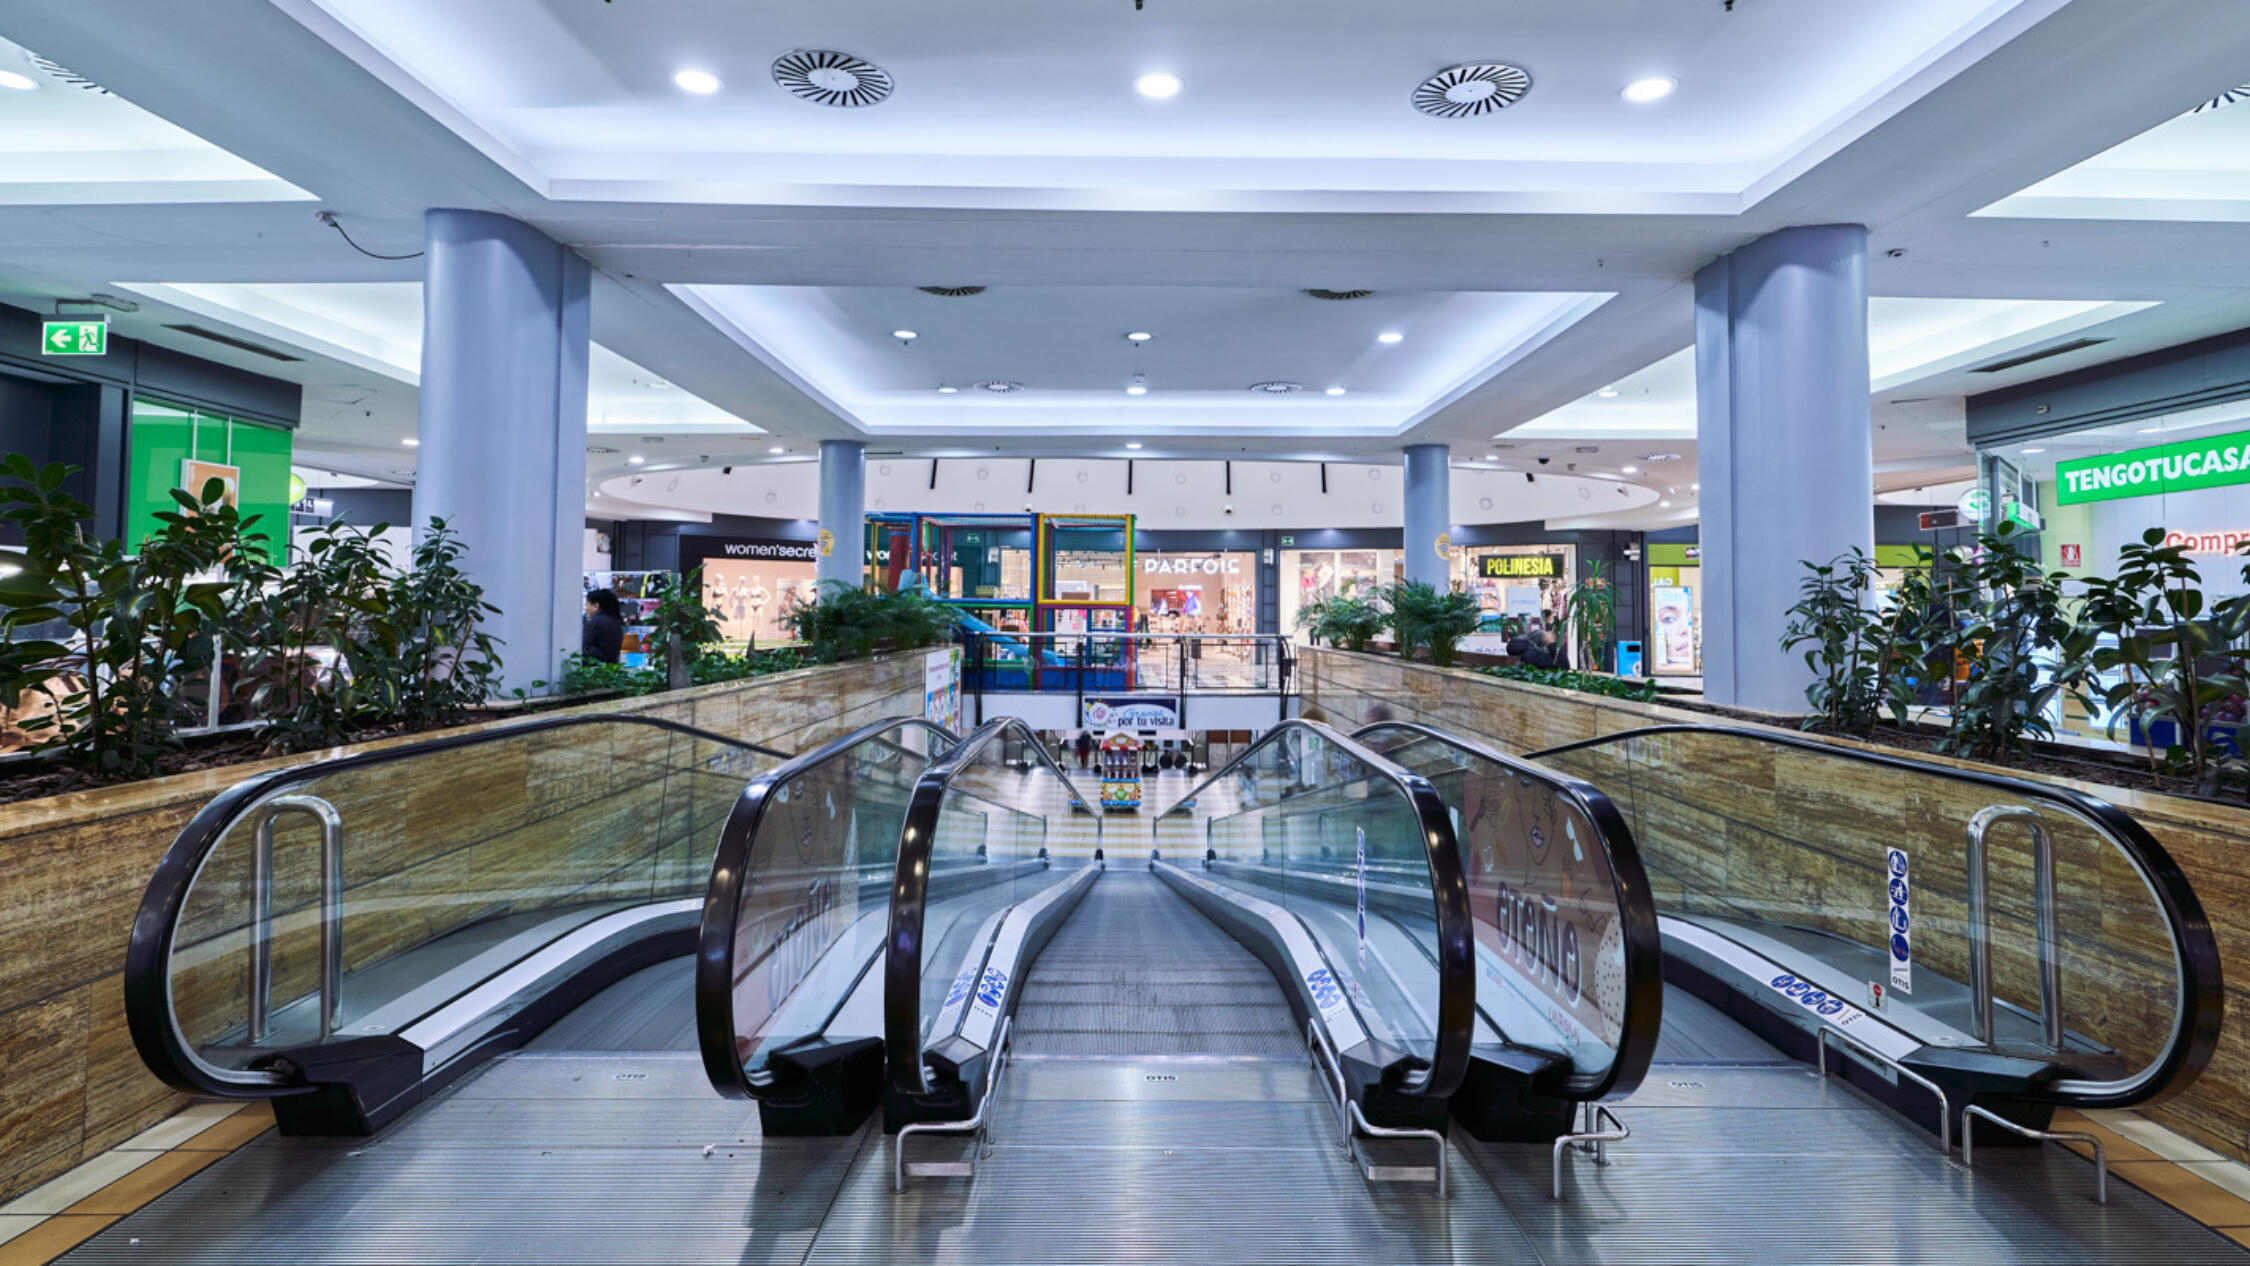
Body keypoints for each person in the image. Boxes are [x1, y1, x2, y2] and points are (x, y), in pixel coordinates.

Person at [582, 589, 625, 664]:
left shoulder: (595, 623)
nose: (585, 608)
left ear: (596, 606)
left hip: (594, 669)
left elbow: (582, 645)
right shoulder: (615, 621)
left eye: (587, 604)